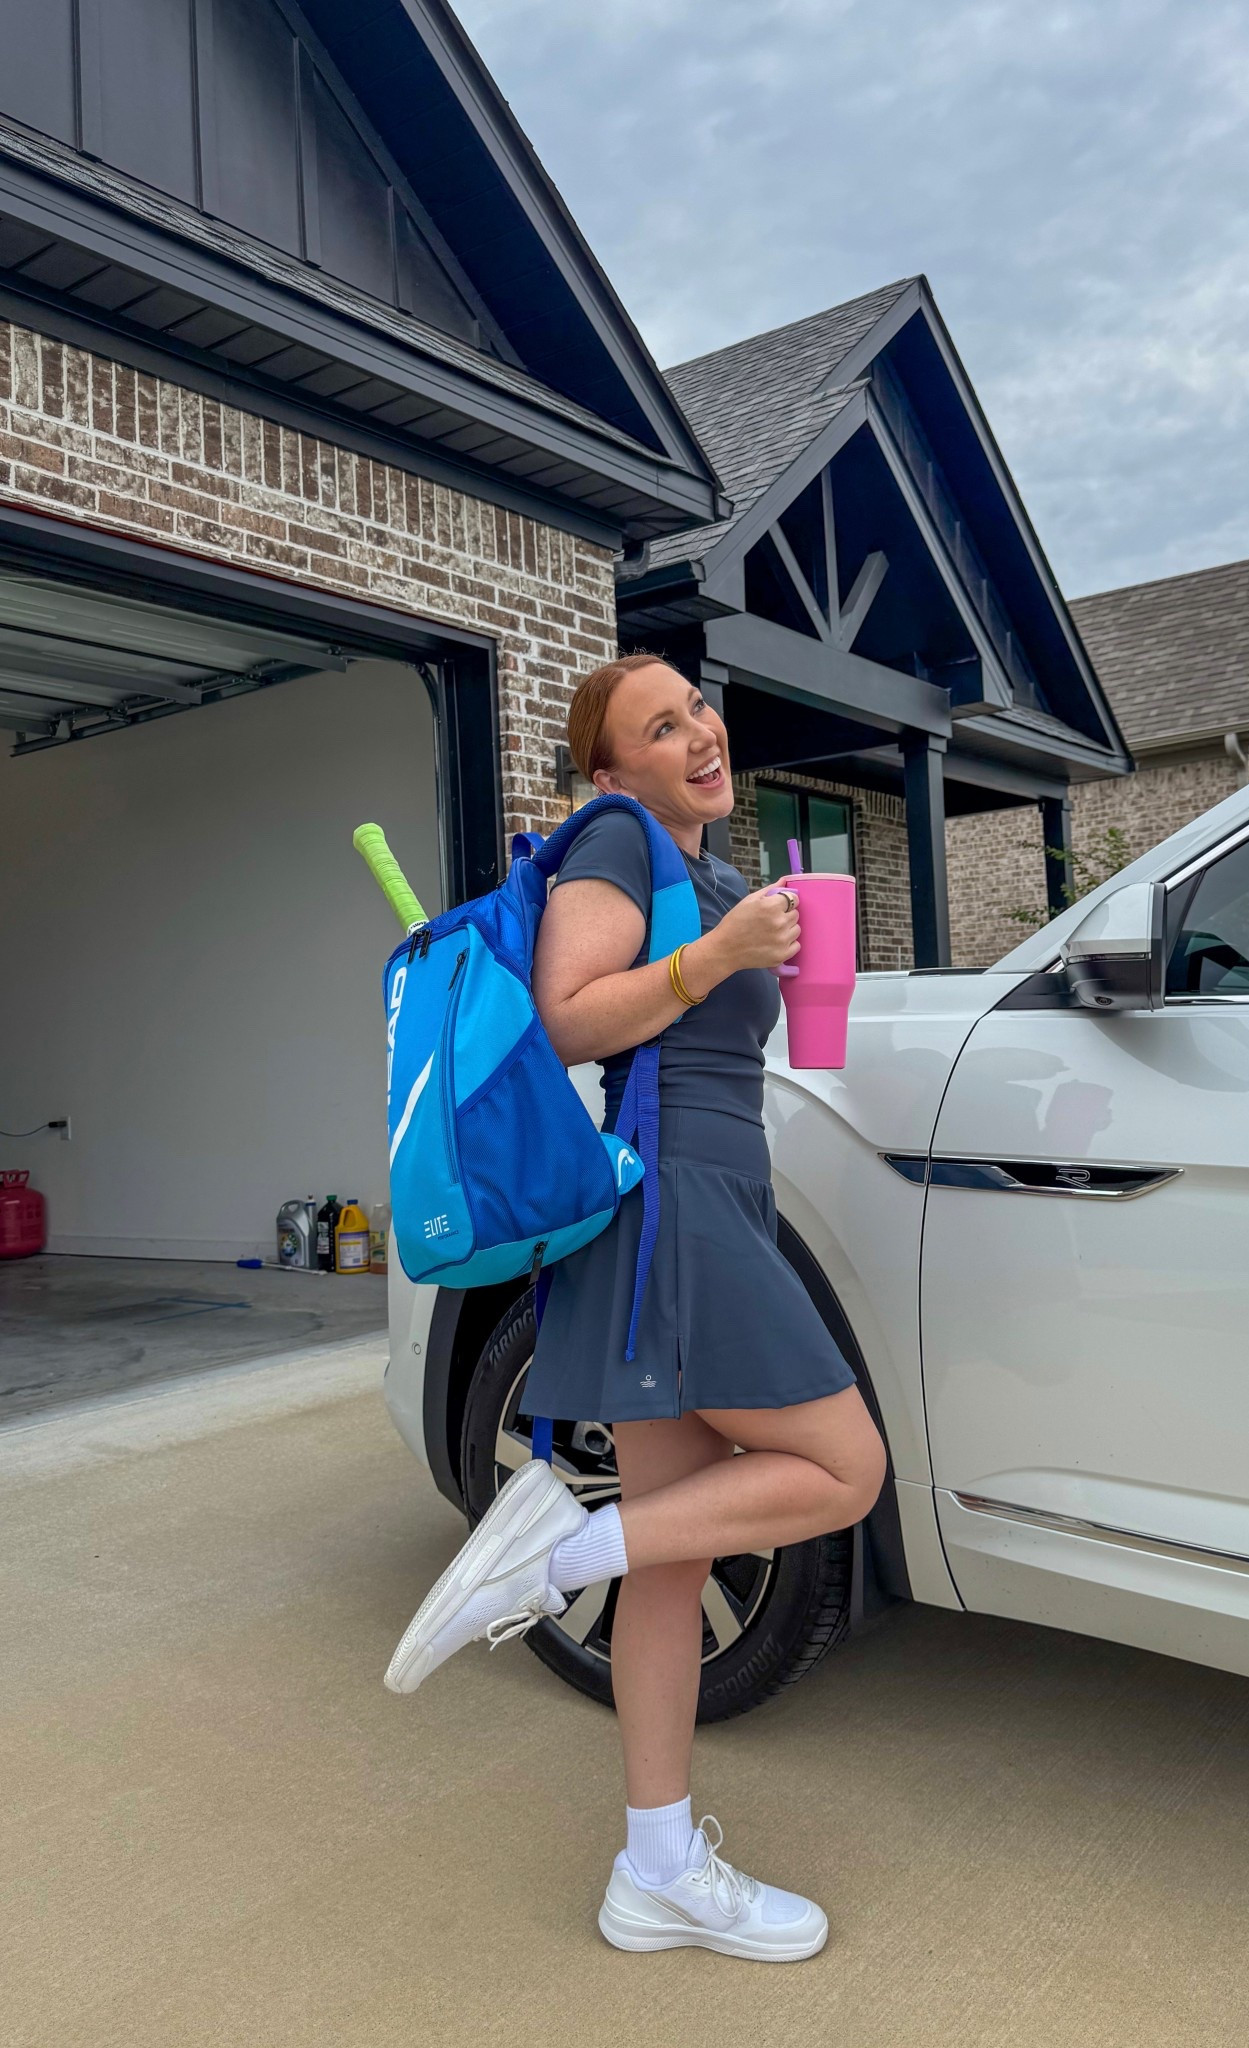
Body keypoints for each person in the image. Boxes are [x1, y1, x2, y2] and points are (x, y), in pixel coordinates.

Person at [385, 653, 887, 1962]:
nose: (697, 733)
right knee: (844, 1466)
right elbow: (562, 1021)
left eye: (698, 708)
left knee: (674, 1561)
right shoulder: (617, 840)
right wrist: (719, 954)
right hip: (676, 1220)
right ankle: (551, 1558)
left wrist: (754, 947)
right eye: (657, 728)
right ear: (612, 771)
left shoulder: (718, 870)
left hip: (696, 1203)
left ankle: (651, 1870)